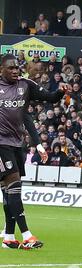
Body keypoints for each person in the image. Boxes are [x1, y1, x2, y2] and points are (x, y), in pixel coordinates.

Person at [0, 54, 69, 249]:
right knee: (14, 186)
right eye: (10, 68)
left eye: (17, 68)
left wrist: (60, 92)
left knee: (8, 191)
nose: (15, 71)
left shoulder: (25, 85)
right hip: (1, 144)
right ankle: (27, 235)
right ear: (1, 70)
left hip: (16, 144)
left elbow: (49, 97)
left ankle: (8, 237)